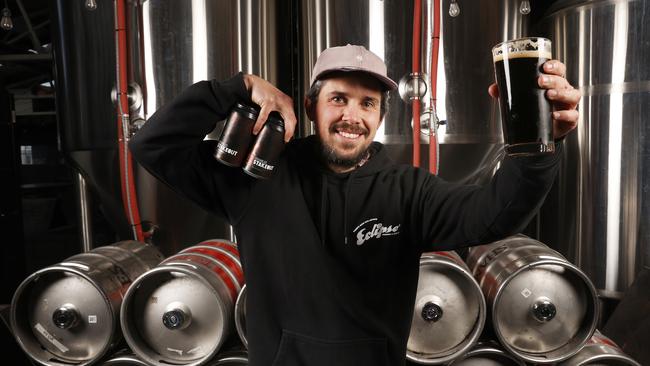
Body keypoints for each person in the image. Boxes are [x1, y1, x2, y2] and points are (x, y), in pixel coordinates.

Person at [129, 44, 580, 366]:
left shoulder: (410, 190)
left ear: (381, 118)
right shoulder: (256, 176)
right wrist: (239, 87)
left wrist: (536, 148)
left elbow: (494, 213)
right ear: (310, 106)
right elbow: (154, 144)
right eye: (338, 99)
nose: (352, 116)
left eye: (368, 103)